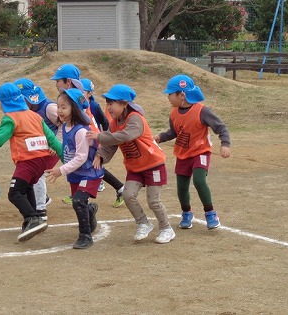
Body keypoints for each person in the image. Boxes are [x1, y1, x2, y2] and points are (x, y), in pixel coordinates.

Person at [0, 82, 63, 242]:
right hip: (42, 162)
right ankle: (35, 217)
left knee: (15, 193)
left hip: (28, 162)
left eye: (0, 103)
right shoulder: (35, 116)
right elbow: (53, 141)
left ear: (4, 103)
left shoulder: (10, 118)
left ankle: (32, 218)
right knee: (27, 187)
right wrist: (67, 162)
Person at [87, 84, 176, 244]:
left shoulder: (135, 118)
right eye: (107, 104)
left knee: (153, 201)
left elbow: (125, 136)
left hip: (153, 164)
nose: (108, 107)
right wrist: (100, 155)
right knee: (127, 195)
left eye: (111, 103)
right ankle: (143, 223)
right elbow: (111, 144)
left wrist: (99, 136)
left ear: (124, 104)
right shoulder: (114, 123)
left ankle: (166, 228)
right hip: (135, 167)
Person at [154, 75, 231, 230]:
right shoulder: (174, 113)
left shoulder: (202, 111)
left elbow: (221, 127)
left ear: (181, 95)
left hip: (200, 151)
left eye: (170, 94)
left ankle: (210, 213)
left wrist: (225, 144)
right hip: (182, 154)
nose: (168, 97)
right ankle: (186, 213)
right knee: (181, 187)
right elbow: (173, 132)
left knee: (199, 180)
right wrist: (159, 137)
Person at [50, 64, 125, 208]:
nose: (56, 84)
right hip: (81, 131)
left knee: (91, 163)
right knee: (89, 163)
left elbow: (89, 117)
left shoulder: (74, 95)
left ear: (68, 81)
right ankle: (117, 188)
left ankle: (115, 187)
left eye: (58, 80)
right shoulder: (68, 95)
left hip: (86, 132)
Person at [46, 88, 104, 249]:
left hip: (90, 173)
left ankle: (85, 236)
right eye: (58, 107)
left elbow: (81, 157)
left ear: (75, 109)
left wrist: (61, 170)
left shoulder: (81, 131)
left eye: (64, 107)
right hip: (76, 174)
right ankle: (90, 211)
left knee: (78, 200)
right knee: (79, 202)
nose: (59, 111)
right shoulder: (65, 127)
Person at [14, 77, 61, 220]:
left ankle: (40, 210)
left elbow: (65, 125)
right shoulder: (26, 111)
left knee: (39, 175)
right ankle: (42, 198)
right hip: (39, 149)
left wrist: (57, 143)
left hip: (53, 149)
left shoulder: (49, 108)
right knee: (30, 174)